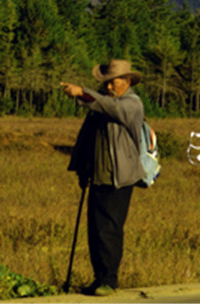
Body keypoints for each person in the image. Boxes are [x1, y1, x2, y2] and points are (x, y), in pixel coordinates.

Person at [62, 59, 146, 296]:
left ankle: (109, 280)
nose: (108, 87)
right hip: (98, 175)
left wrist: (83, 93)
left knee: (110, 229)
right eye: (106, 83)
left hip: (120, 178)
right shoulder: (101, 105)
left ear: (127, 82)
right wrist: (81, 169)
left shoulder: (132, 104)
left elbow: (112, 108)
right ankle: (99, 278)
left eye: (113, 82)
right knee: (96, 230)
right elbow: (86, 139)